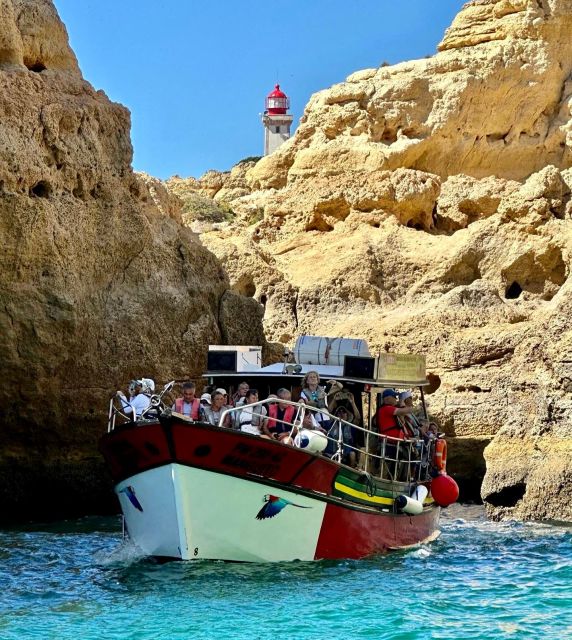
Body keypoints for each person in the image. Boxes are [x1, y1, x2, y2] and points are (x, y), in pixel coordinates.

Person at [376, 389, 414, 479]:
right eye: (395, 397)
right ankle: (405, 477)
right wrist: (406, 404)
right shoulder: (386, 409)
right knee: (410, 455)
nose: (396, 399)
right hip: (390, 442)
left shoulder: (389, 409)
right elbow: (405, 411)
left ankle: (401, 477)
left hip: (395, 442)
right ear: (388, 398)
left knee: (409, 454)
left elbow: (402, 419)